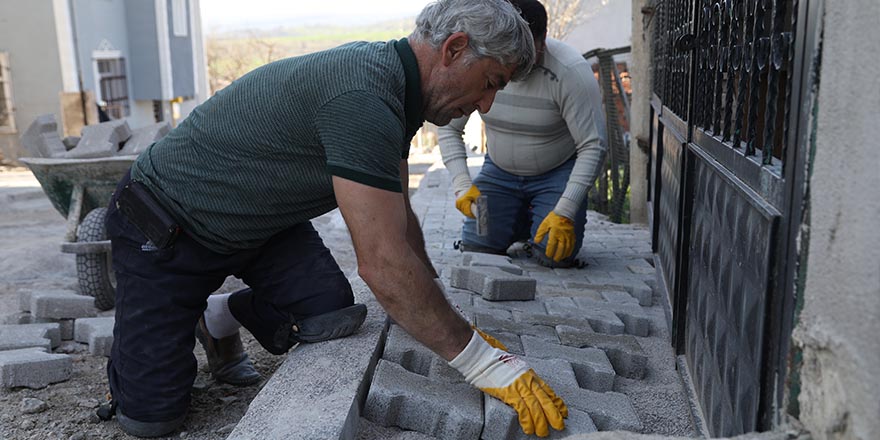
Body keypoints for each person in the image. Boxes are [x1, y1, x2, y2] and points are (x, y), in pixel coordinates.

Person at [100, 0, 568, 438]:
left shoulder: (398, 90)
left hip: (260, 224)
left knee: (331, 313)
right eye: (491, 82)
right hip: (168, 223)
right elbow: (382, 265)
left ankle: (218, 318)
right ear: (455, 48)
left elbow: (397, 215)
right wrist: (483, 363)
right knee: (151, 419)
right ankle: (146, 352)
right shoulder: (364, 95)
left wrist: (438, 306)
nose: (486, 105)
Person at [438, 0, 607, 268]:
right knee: (477, 247)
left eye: (530, 48)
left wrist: (564, 210)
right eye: (515, 48)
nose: (522, 58)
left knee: (555, 255)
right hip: (499, 172)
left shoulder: (570, 71)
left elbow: (594, 145)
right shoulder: (481, 65)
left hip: (556, 172)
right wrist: (461, 184)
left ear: (544, 38)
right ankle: (516, 221)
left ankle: (535, 217)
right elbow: (448, 127)